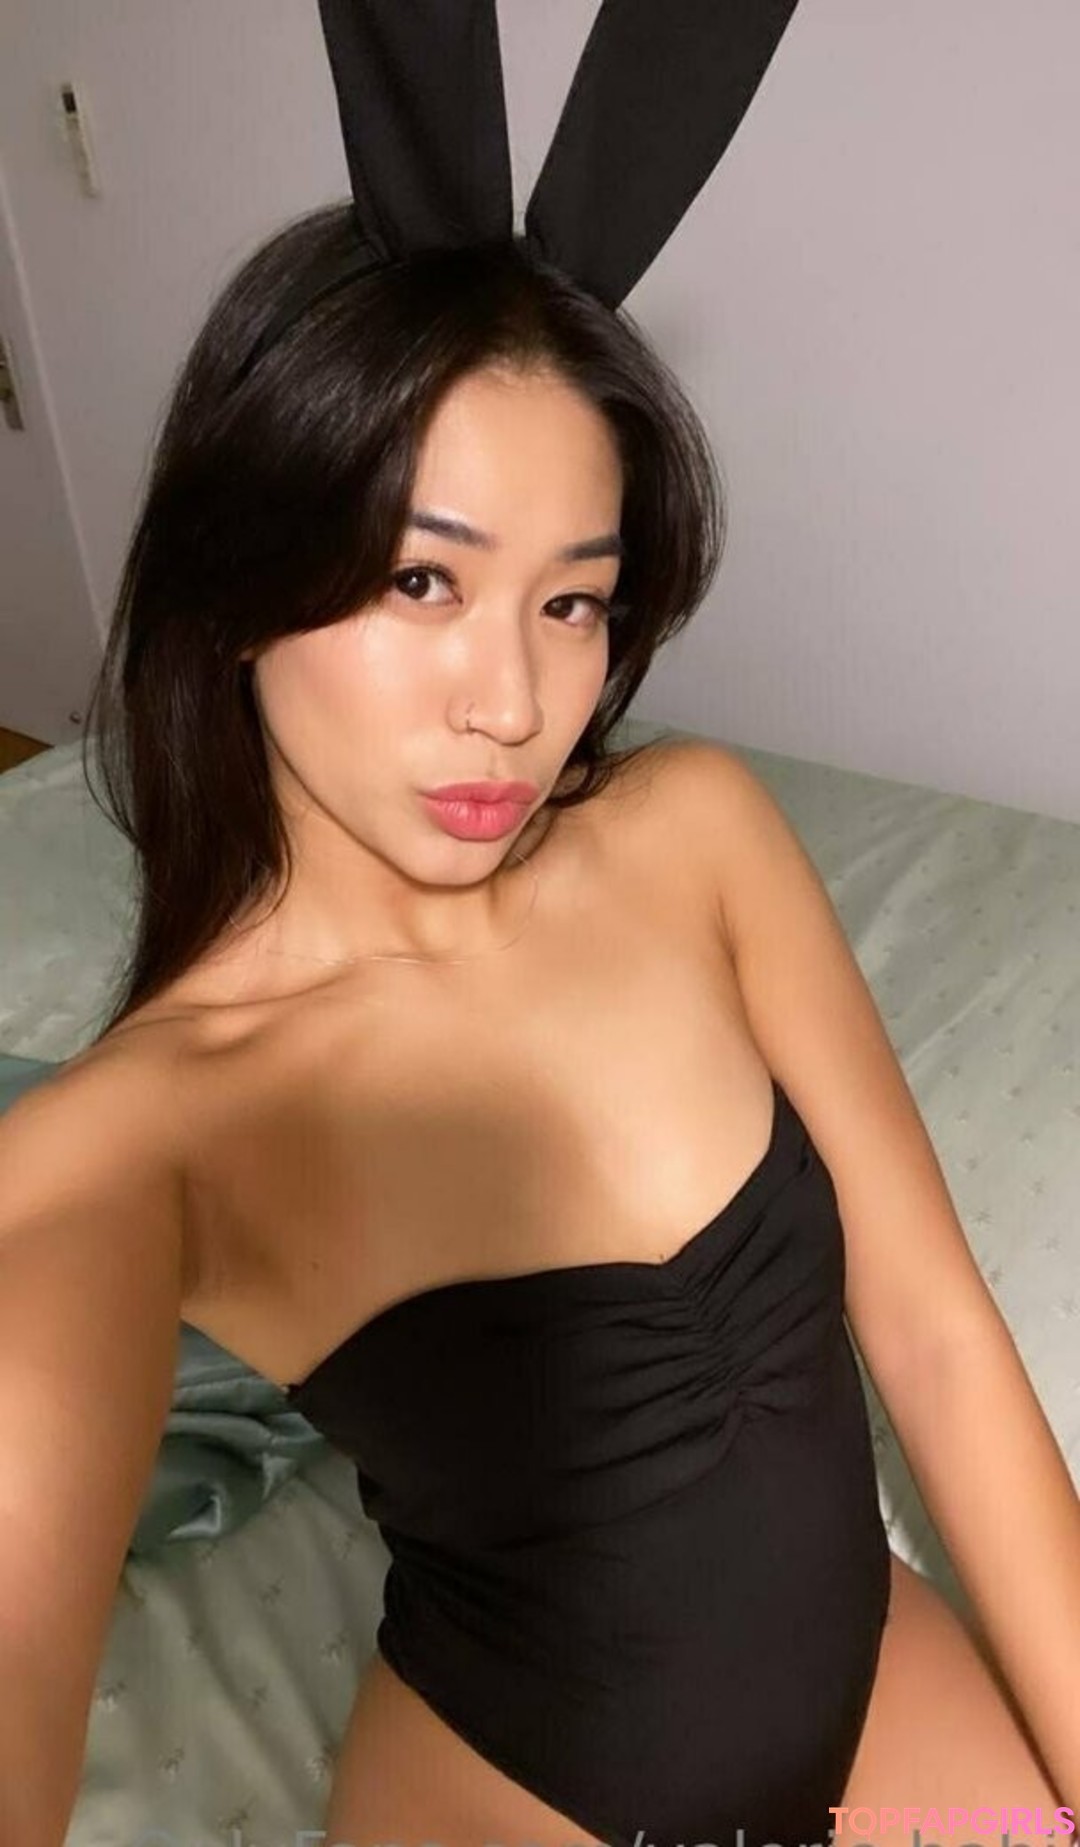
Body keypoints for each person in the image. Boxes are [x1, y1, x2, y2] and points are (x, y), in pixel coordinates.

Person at [2, 6, 1078, 1846]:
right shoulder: (132, 1144)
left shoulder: (696, 833)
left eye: (573, 603)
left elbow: (933, 1335)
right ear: (242, 585)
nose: (512, 702)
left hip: (876, 1679)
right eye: (422, 579)